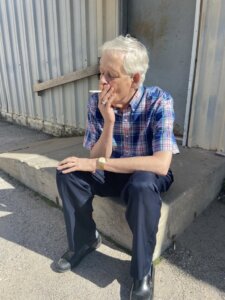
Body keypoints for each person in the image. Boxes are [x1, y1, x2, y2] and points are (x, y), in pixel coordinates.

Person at [55, 35, 179, 300]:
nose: (102, 82)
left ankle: (142, 270)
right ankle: (84, 241)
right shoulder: (96, 102)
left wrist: (97, 163)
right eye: (101, 73)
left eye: (110, 76)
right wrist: (108, 122)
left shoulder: (160, 102)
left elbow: (160, 163)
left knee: (143, 184)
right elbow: (96, 154)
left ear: (134, 79)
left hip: (146, 177)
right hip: (112, 171)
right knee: (68, 172)